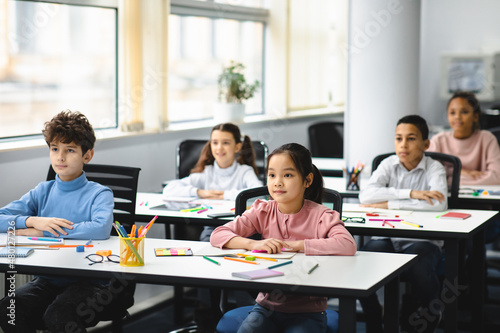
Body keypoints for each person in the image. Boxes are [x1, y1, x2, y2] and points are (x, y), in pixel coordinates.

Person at [211, 143, 357, 333]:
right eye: (272, 175)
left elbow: (347, 245)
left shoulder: (321, 215)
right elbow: (218, 234)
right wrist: (254, 243)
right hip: (266, 307)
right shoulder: (262, 211)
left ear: (307, 180)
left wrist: (296, 245)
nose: (277, 182)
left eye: (287, 175)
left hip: (307, 311)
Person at [0, 110, 114, 332]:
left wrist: (43, 232)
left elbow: (100, 229)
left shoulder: (100, 193)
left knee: (59, 316)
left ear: (87, 155)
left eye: (70, 150)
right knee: (9, 309)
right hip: (48, 279)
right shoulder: (43, 191)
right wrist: (34, 221)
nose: (60, 157)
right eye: (54, 149)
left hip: (91, 281)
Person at [358, 115, 447, 333]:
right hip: (387, 236)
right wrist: (411, 194)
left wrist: (389, 204)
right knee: (363, 262)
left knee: (419, 265)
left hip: (422, 239)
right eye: (398, 139)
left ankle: (431, 313)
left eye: (411, 138)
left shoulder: (435, 168)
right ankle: (373, 314)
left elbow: (438, 204)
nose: (403, 145)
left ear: (426, 144)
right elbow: (366, 196)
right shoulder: (388, 164)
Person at [163, 123, 262, 242]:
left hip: (241, 228)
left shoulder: (245, 171)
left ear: (237, 147)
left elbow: (259, 194)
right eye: (215, 143)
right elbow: (169, 189)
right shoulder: (207, 173)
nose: (219, 148)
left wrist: (224, 195)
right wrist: (199, 192)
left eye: (225, 143)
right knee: (206, 244)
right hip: (212, 228)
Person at [428, 91, 500, 247]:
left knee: (467, 240)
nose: (457, 117)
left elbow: (496, 177)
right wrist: (467, 173)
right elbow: (429, 177)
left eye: (465, 112)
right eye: (452, 112)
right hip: (445, 210)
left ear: (475, 116)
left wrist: (450, 175)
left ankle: (469, 270)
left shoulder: (487, 139)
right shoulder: (439, 140)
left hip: (481, 213)